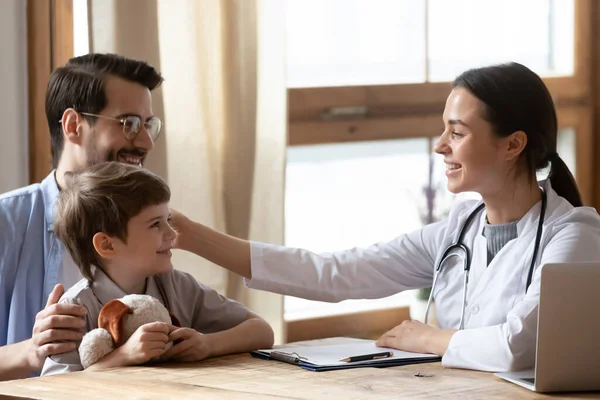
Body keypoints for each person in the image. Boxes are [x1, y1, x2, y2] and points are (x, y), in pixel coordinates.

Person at [168, 62, 600, 372]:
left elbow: (518, 347)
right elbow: (337, 273)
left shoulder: (573, 236)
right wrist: (190, 235)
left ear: (513, 145)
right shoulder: (458, 230)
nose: (440, 146)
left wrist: (429, 338)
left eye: (457, 132)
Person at [0, 53, 165, 380]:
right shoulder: (7, 222)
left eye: (148, 125)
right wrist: (32, 351)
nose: (146, 142)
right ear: (74, 126)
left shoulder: (153, 223)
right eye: (129, 124)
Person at [40, 162, 273, 375]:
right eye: (155, 224)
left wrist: (207, 344)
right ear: (107, 244)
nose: (172, 234)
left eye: (168, 220)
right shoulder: (75, 310)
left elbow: (262, 331)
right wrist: (123, 356)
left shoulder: (177, 286)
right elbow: (53, 389)